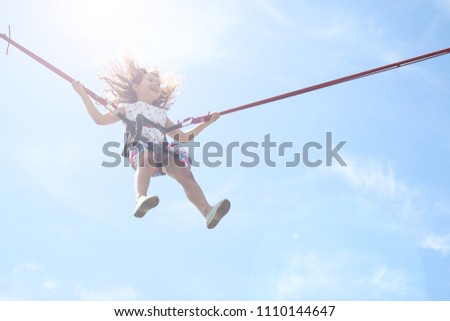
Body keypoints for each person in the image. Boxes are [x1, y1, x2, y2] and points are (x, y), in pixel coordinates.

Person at [72, 58, 230, 229]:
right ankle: (141, 198)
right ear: (136, 86)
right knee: (146, 158)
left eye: (158, 83)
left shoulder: (161, 115)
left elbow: (183, 138)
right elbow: (100, 119)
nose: (156, 84)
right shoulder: (126, 108)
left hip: (162, 149)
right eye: (150, 80)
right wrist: (83, 94)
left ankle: (207, 211)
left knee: (185, 173)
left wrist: (207, 122)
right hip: (140, 146)